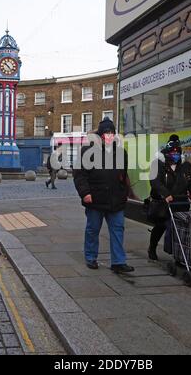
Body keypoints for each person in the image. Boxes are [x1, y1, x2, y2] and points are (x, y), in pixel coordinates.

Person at [73, 117, 135, 274]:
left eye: (112, 132)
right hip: (95, 199)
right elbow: (80, 175)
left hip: (116, 200)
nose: (109, 135)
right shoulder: (88, 151)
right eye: (106, 132)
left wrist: (125, 192)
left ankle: (118, 262)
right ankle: (91, 258)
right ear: (100, 135)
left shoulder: (121, 152)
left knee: (118, 229)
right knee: (93, 229)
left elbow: (123, 174)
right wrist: (85, 193)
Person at [148, 135, 191, 261]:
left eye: (178, 152)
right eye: (173, 152)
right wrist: (166, 194)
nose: (175, 154)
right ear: (167, 152)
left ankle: (179, 254)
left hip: (180, 203)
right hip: (163, 203)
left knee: (180, 228)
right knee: (161, 226)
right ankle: (152, 247)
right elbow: (155, 182)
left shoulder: (185, 166)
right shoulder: (158, 164)